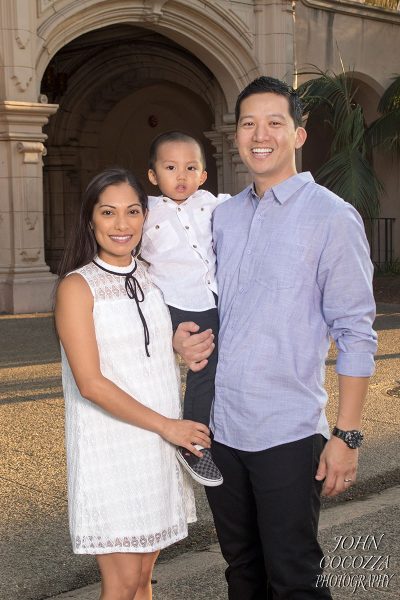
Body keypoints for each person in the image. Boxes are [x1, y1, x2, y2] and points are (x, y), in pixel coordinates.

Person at [173, 76, 377, 599]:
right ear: (236, 134)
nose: (259, 134)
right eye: (247, 124)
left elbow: (356, 332)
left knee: (294, 577)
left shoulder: (332, 218)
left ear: (298, 135)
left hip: (286, 430)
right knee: (242, 570)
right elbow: (199, 297)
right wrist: (181, 338)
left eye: (274, 123)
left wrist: (346, 436)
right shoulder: (223, 215)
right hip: (221, 428)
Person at [55, 167, 211, 600]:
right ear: (91, 220)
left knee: (142, 581)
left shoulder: (149, 276)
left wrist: (177, 343)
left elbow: (143, 346)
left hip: (156, 449)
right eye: (108, 213)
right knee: (121, 585)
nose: (122, 225)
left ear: (146, 217)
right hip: (114, 449)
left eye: (132, 212)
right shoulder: (77, 287)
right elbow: (90, 383)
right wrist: (170, 427)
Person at [140, 131, 229, 487]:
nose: (181, 176)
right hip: (175, 303)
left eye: (191, 168)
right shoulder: (145, 211)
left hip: (213, 299)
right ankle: (192, 444)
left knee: (218, 367)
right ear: (153, 175)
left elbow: (256, 205)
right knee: (202, 366)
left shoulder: (212, 203)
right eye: (171, 167)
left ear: (203, 175)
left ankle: (214, 433)